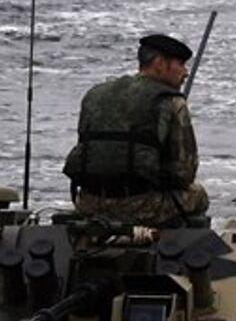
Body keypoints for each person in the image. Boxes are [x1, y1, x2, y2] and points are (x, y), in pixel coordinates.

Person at [63, 33, 208, 228]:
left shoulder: (96, 94)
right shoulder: (172, 101)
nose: (185, 72)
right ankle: (170, 242)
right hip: (141, 206)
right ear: (159, 63)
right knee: (198, 195)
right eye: (180, 64)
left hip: (89, 203)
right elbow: (185, 172)